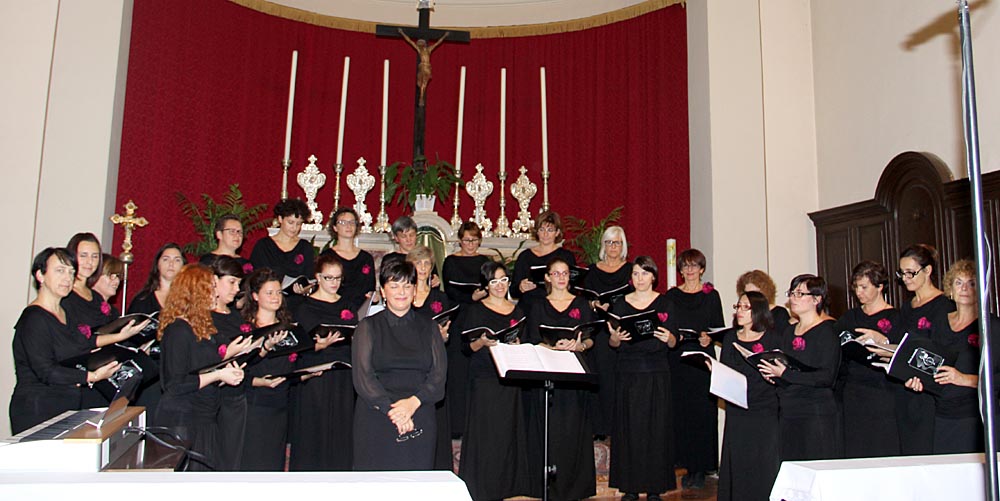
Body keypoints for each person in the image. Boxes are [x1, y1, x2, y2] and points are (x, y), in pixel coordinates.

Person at [9, 248, 124, 434]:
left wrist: (121, 336)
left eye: (71, 272)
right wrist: (93, 376)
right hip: (38, 407)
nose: (67, 278)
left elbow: (84, 344)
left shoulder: (65, 313)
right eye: (60, 271)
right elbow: (46, 371)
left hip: (66, 404)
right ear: (40, 275)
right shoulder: (34, 318)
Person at [352, 260, 447, 470]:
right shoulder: (368, 326)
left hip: (420, 411)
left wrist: (412, 404)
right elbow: (363, 377)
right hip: (377, 414)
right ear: (383, 291)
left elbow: (438, 375)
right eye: (394, 286)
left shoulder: (430, 327)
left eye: (407, 285)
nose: (401, 292)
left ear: (414, 290)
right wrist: (394, 411)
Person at [862, 244, 951, 455]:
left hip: (927, 392)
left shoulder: (944, 305)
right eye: (902, 273)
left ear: (927, 270)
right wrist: (881, 342)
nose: (905, 278)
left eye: (911, 273)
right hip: (904, 389)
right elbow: (902, 345)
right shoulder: (907, 307)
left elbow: (941, 352)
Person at [156, 264, 247, 470]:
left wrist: (227, 372)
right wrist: (219, 375)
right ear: (196, 292)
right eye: (211, 288)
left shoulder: (202, 327)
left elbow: (203, 367)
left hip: (204, 415)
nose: (216, 293)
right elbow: (175, 384)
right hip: (183, 419)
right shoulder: (178, 330)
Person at [455, 261, 531, 500]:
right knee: (487, 436)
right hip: (484, 379)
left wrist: (518, 346)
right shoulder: (475, 310)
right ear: (486, 285)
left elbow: (525, 343)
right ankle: (483, 488)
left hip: (509, 378)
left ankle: (507, 487)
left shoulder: (517, 311)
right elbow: (466, 348)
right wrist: (481, 342)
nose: (500, 285)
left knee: (507, 435)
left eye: (503, 280)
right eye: (494, 281)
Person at [524, 257, 596, 501]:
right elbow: (532, 339)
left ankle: (574, 488)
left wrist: (579, 345)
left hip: (574, 372)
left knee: (573, 429)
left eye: (565, 273)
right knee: (550, 429)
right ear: (547, 277)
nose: (561, 277)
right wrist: (550, 347)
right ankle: (547, 487)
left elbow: (590, 338)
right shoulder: (538, 306)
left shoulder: (581, 304)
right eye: (556, 273)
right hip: (548, 372)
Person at [607, 256, 676, 501]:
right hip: (628, 373)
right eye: (635, 273)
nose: (640, 278)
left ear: (653, 277)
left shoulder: (665, 303)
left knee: (656, 431)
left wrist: (669, 337)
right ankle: (630, 487)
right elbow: (613, 343)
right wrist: (616, 338)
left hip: (656, 373)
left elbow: (674, 341)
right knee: (629, 431)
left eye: (644, 273)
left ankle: (654, 487)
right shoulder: (620, 304)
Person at [905, 259, 987, 453]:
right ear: (950, 288)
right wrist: (919, 380)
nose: (964, 288)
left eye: (971, 283)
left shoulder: (990, 326)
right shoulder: (940, 322)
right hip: (941, 413)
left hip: (974, 416)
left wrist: (964, 379)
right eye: (959, 282)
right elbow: (932, 362)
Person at [758, 274, 843, 461]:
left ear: (816, 299)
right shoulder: (789, 331)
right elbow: (787, 367)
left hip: (815, 411)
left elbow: (826, 377)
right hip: (789, 409)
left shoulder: (827, 331)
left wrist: (785, 374)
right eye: (792, 293)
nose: (793, 298)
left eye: (799, 293)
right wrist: (773, 375)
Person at [290, 252, 357, 471]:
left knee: (340, 424)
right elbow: (302, 343)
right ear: (318, 277)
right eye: (329, 278)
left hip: (343, 371)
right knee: (314, 425)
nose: (334, 283)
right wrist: (320, 344)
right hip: (315, 371)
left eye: (338, 278)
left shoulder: (347, 304)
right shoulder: (305, 306)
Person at [664, 248, 721, 489]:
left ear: (702, 269)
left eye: (694, 265)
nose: (689, 270)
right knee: (681, 413)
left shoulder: (711, 296)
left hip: (701, 361)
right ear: (680, 270)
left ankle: (701, 468)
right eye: (685, 266)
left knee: (702, 413)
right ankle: (685, 464)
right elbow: (666, 326)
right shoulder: (671, 295)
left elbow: (718, 328)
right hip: (677, 360)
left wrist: (709, 338)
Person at [716, 291, 781, 501]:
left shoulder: (773, 338)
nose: (739, 311)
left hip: (764, 408)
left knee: (763, 461)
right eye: (738, 306)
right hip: (738, 409)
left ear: (758, 311)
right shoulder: (730, 338)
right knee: (739, 460)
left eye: (746, 307)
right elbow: (726, 370)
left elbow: (780, 373)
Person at [834, 261, 900, 458]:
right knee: (856, 447)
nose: (858, 292)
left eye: (864, 287)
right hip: (854, 389)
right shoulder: (850, 317)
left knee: (881, 447)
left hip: (883, 390)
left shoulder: (896, 317)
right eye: (856, 287)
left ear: (880, 286)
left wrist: (883, 340)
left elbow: (903, 353)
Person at [240, 268, 295, 471]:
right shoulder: (246, 329)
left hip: (280, 404)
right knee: (254, 461)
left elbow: (293, 365)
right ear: (255, 296)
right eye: (269, 293)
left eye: (279, 292)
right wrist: (260, 381)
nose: (275, 297)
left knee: (274, 463)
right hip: (254, 404)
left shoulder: (288, 328)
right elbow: (239, 369)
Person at [582, 225, 633, 438]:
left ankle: (618, 427)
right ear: (604, 245)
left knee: (619, 379)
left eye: (617, 243)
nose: (613, 247)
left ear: (623, 246)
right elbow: (584, 298)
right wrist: (593, 304)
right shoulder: (592, 271)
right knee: (600, 378)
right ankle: (600, 428)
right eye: (609, 242)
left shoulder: (631, 271)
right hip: (599, 331)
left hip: (621, 331)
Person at [441, 221, 490, 437]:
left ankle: (478, 424)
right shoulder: (451, 261)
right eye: (467, 240)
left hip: (480, 317)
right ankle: (457, 425)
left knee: (478, 369)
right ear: (460, 240)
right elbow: (450, 291)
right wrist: (471, 297)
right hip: (459, 317)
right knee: (458, 371)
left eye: (475, 240)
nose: (471, 244)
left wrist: (480, 296)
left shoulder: (485, 262)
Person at [407, 245, 454, 470]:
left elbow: (446, 332)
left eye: (427, 263)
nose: (423, 267)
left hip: (433, 362)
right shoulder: (404, 295)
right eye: (418, 263)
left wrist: (443, 336)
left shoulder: (440, 297)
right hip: (409, 364)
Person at [207, 255, 249, 470]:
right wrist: (229, 353)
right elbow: (199, 362)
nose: (236, 289)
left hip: (236, 395)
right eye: (232, 282)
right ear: (214, 281)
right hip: (213, 396)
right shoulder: (204, 317)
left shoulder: (236, 316)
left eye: (239, 283)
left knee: (232, 458)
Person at [250, 199, 315, 311]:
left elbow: (311, 279)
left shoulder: (305, 247)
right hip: (268, 303)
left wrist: (305, 289)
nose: (294, 228)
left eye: (298, 224)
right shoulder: (263, 246)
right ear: (280, 219)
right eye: (290, 222)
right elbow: (254, 279)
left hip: (296, 305)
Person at [512, 211, 576, 316]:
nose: (545, 234)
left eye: (550, 230)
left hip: (557, 309)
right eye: (542, 230)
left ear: (557, 232)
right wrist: (521, 287)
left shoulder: (566, 257)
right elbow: (513, 291)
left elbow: (573, 287)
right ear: (537, 232)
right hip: (529, 308)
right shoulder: (525, 256)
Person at [321, 207, 376, 310]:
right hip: (332, 309)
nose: (348, 226)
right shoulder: (327, 256)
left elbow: (370, 289)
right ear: (335, 227)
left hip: (359, 310)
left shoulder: (366, 258)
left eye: (352, 222)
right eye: (343, 222)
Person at [129, 243, 185, 315]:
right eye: (166, 259)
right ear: (157, 264)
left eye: (177, 260)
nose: (171, 263)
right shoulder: (142, 300)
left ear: (183, 266)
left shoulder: (191, 299)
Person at [382, 216, 440, 286]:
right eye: (403, 236)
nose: (408, 240)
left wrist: (436, 280)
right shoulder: (390, 259)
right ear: (396, 238)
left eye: (411, 235)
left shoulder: (425, 256)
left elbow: (433, 279)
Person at [399, 29, 450, 106]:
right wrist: (402, 33)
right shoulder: (419, 50)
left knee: (424, 82)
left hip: (427, 67)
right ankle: (421, 97)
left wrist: (445, 36)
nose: (419, 44)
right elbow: (410, 41)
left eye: (421, 43)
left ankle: (421, 97)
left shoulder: (429, 49)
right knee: (421, 83)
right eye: (419, 43)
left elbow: (438, 43)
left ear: (424, 44)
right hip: (422, 66)